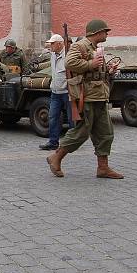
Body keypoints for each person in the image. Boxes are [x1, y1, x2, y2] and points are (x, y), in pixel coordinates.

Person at [45, 20, 123, 179]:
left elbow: (95, 72)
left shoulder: (95, 48)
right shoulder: (80, 46)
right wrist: (90, 64)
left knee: (105, 133)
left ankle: (103, 167)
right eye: (105, 31)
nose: (107, 34)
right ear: (96, 32)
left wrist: (108, 70)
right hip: (86, 96)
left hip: (99, 96)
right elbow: (69, 62)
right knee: (81, 132)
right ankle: (56, 157)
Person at [40, 34, 73, 151]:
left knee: (71, 118)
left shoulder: (68, 55)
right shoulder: (53, 55)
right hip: (55, 91)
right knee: (53, 117)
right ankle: (53, 142)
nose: (50, 46)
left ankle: (73, 142)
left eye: (52, 44)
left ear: (60, 44)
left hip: (67, 91)